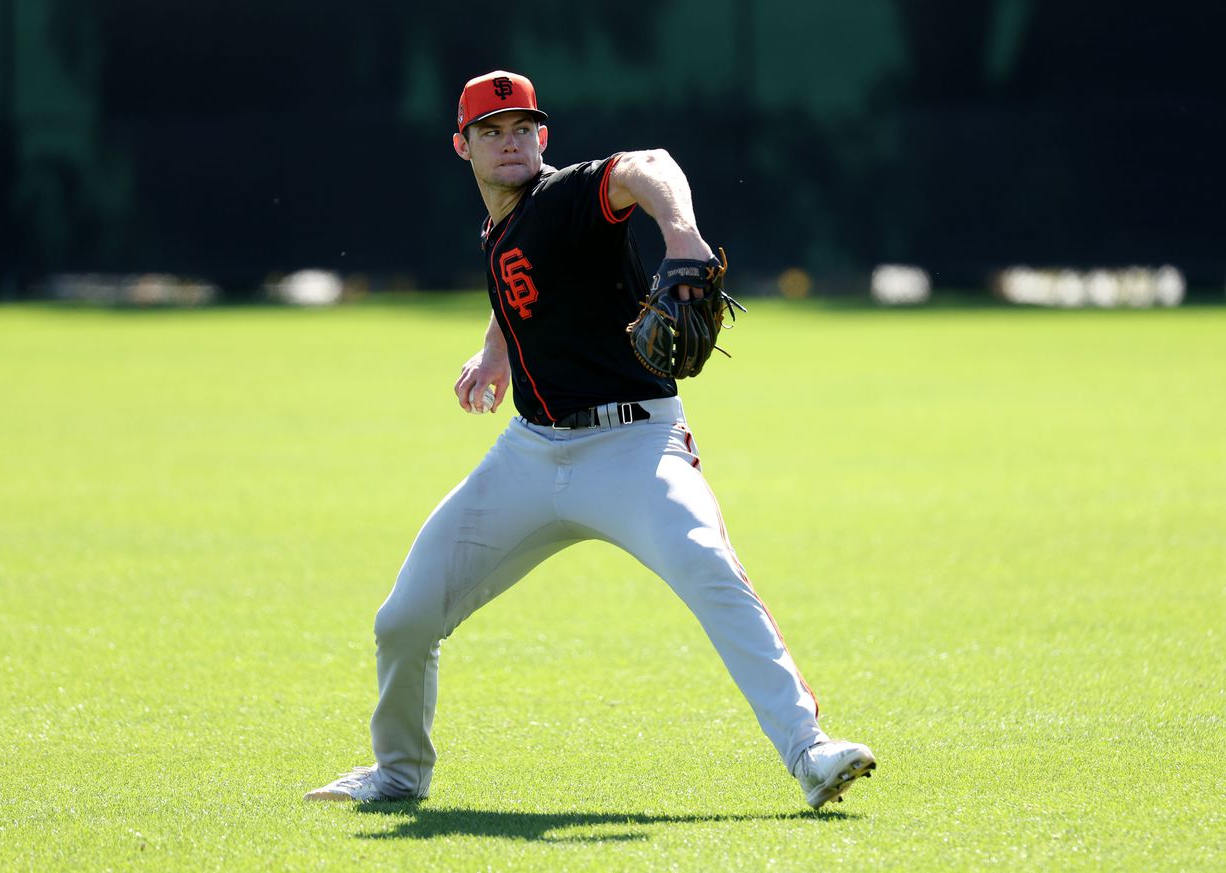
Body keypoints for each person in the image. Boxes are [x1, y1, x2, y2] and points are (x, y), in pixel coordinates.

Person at [306, 71, 875, 810]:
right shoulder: (500, 224)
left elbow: (651, 164)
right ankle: (398, 772)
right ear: (462, 146)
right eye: (491, 131)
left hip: (635, 450)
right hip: (531, 455)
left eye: (522, 129)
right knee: (404, 618)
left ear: (543, 138)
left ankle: (809, 751)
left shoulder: (570, 194)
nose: (509, 142)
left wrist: (680, 232)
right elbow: (525, 280)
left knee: (708, 567)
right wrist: (496, 348)